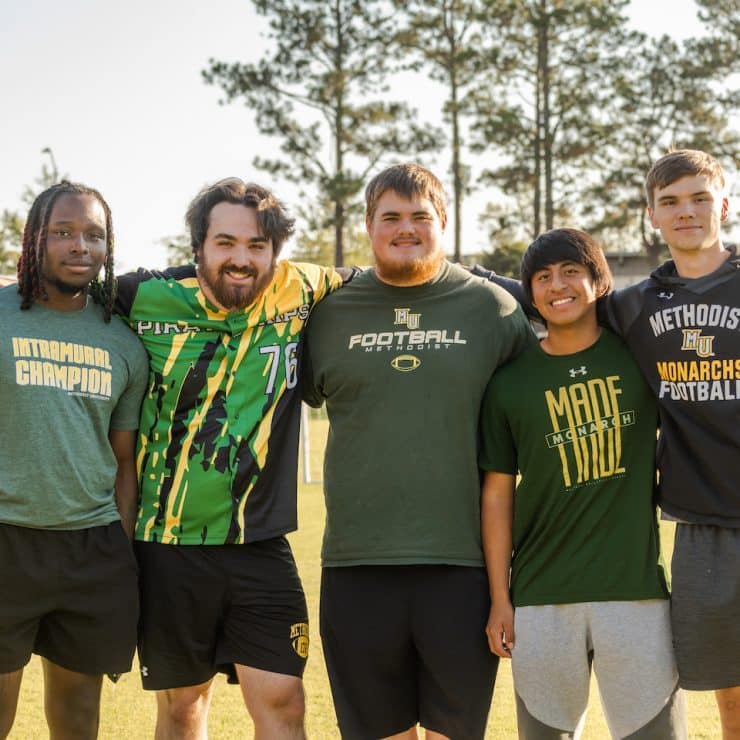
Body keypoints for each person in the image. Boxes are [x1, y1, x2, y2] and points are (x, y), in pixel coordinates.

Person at [302, 163, 533, 740]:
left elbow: (537, 410)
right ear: (368, 224)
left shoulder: (493, 309)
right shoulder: (328, 312)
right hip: (356, 564)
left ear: (444, 223)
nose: (406, 229)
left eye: (420, 217)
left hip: (462, 566)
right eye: (391, 217)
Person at [114, 178, 349, 739]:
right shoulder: (138, 295)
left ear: (275, 250)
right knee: (182, 705)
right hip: (166, 545)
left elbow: (404, 272)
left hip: (261, 544)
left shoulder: (307, 287)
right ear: (197, 246)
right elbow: (48, 290)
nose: (242, 259)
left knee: (284, 701)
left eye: (257, 245)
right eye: (226, 243)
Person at [479, 228, 686, 739]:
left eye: (572, 272)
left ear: (598, 282)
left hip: (635, 593)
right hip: (541, 597)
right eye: (543, 277)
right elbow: (497, 495)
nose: (558, 286)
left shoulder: (639, 359)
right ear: (530, 292)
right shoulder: (509, 382)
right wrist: (500, 598)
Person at [0, 181, 148, 739]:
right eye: (63, 232)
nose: (79, 246)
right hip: (7, 537)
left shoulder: (122, 342)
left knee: (77, 722)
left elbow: (124, 463)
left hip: (92, 549)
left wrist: (122, 550)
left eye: (94, 235)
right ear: (35, 237)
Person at [603, 150, 740, 738]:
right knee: (728, 686)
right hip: (703, 519)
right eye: (670, 203)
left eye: (699, 198)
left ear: (725, 205)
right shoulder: (634, 306)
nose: (686, 212)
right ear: (651, 217)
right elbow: (558, 297)